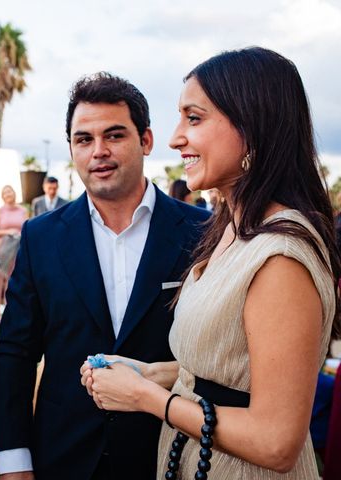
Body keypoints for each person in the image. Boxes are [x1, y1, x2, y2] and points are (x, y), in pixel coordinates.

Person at [82, 47, 340, 479]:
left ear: (252, 126)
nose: (175, 137)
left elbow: (276, 441)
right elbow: (230, 372)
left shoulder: (280, 258)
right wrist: (149, 373)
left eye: (194, 118)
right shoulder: (231, 230)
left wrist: (146, 398)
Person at [0, 72, 210, 480]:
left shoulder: (202, 232)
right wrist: (14, 458)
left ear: (145, 140)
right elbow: (15, 353)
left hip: (168, 451)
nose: (99, 152)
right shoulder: (42, 237)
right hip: (64, 455)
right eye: (84, 139)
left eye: (114, 136)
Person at [0, 185, 28, 325]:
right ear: (2, 196)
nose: (8, 194)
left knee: (15, 283)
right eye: (5, 192)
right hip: (0, 252)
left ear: (15, 193)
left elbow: (28, 228)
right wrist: (8, 231)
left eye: (10, 191)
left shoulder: (23, 211)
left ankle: (14, 315)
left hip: (17, 252)